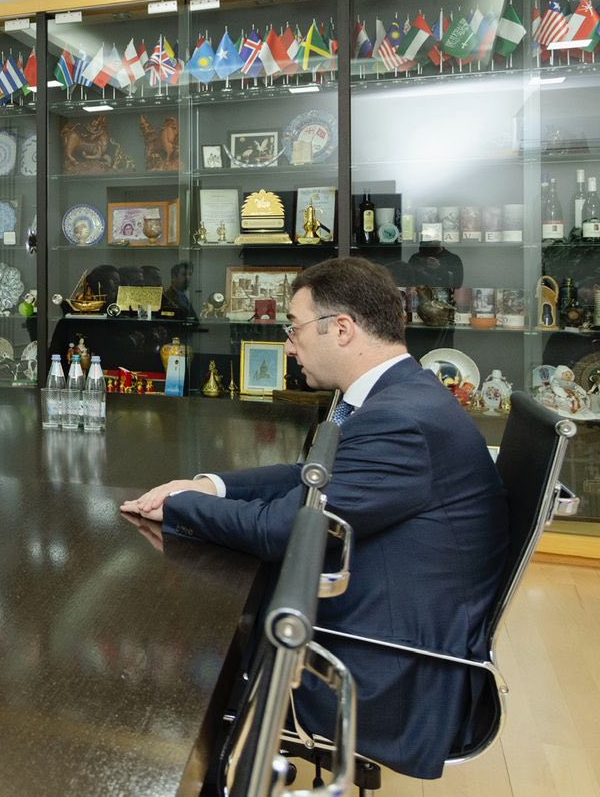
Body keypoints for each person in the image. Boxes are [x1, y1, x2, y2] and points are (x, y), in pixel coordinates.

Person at [120, 256, 507, 779]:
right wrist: (209, 485)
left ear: (341, 329)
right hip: (386, 618)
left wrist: (177, 506)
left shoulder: (401, 422)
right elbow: (310, 475)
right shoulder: (402, 395)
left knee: (178, 654)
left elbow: (281, 530)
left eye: (294, 328)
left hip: (383, 670)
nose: (288, 345)